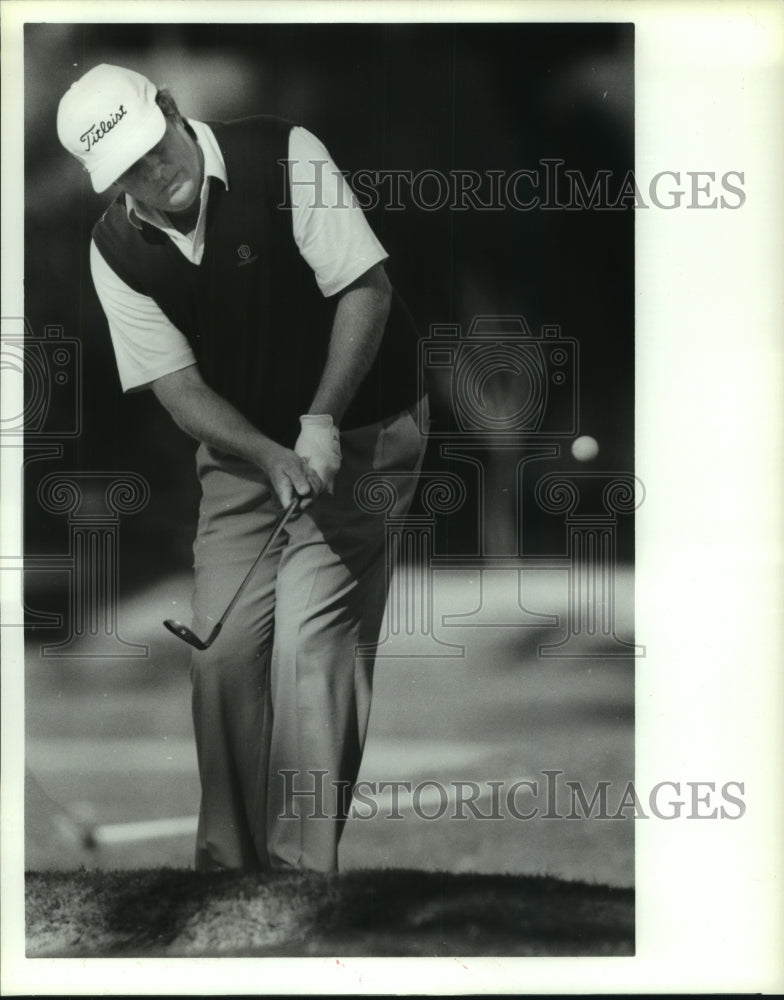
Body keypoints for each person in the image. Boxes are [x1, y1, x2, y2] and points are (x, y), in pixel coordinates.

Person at [57, 63, 427, 873]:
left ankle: (298, 875)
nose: (155, 176)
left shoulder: (283, 155)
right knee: (218, 655)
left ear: (170, 109)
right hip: (244, 451)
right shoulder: (116, 250)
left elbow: (365, 291)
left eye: (154, 149)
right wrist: (267, 453)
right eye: (127, 171)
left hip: (363, 427)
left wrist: (321, 420)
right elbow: (178, 387)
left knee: (308, 641)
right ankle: (228, 875)